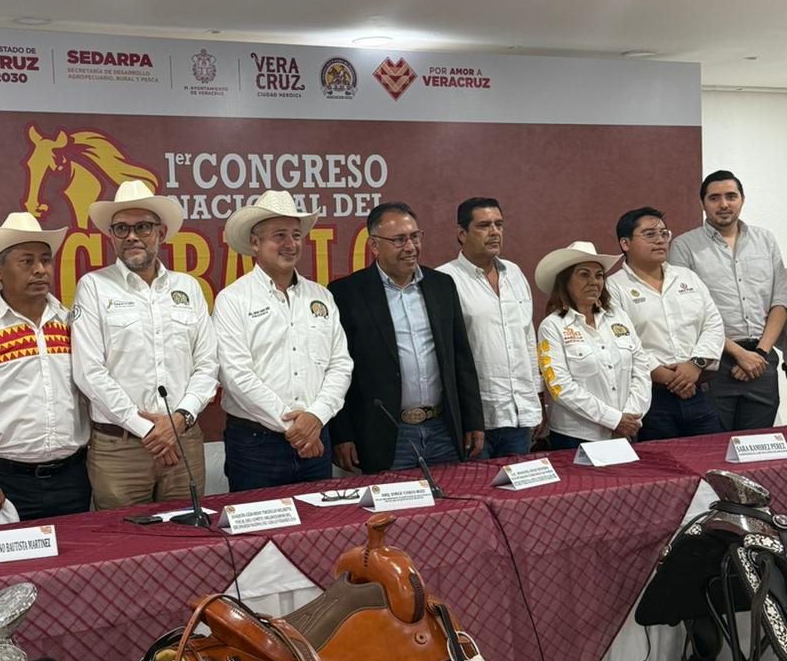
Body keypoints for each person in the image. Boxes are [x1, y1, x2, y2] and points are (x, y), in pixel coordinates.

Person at [71, 180, 218, 508]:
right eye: (121, 228)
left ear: (161, 233)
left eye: (143, 227)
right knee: (123, 538)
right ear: (111, 236)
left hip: (183, 440)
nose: (132, 236)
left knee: (188, 535)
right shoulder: (93, 287)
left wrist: (178, 420)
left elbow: (208, 364)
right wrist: (146, 430)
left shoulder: (188, 287)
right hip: (119, 450)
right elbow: (89, 372)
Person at [0, 213, 91, 520]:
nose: (40, 270)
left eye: (45, 260)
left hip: (74, 476)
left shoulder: (72, 322)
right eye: (26, 262)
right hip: (4, 481)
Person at [328, 201, 484, 474]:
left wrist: (473, 421)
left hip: (443, 430)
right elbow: (337, 369)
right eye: (399, 240)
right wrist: (342, 435)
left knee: (452, 500)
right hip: (386, 434)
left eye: (415, 237)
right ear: (374, 245)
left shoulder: (441, 285)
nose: (410, 247)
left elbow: (461, 358)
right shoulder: (347, 293)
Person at [213, 190, 352, 491]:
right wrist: (296, 427)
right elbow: (236, 376)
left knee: (321, 521)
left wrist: (315, 417)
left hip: (316, 436)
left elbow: (340, 365)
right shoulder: (233, 300)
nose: (291, 244)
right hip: (256, 445)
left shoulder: (321, 296)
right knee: (257, 522)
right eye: (279, 236)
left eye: (296, 235)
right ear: (255, 243)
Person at [669, 170, 787, 431]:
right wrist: (739, 354)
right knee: (714, 446)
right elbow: (687, 313)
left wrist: (759, 354)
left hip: (762, 360)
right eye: (714, 198)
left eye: (731, 196)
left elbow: (780, 301)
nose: (723, 204)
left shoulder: (765, 240)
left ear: (742, 199)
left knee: (759, 446)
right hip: (714, 362)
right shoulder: (684, 246)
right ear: (702, 203)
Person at [437, 197, 543, 458]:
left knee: (520, 485)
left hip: (519, 414)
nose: (494, 232)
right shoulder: (444, 279)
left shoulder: (514, 273)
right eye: (484, 225)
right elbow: (446, 356)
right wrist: (464, 417)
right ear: (462, 234)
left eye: (499, 224)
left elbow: (527, 338)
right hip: (475, 420)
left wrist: (536, 397)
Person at [608, 207, 724, 441]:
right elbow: (621, 341)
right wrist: (664, 375)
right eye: (650, 234)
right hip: (651, 396)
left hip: (697, 390)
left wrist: (695, 365)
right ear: (625, 243)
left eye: (664, 233)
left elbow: (713, 324)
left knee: (711, 455)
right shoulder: (613, 287)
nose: (660, 240)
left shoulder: (687, 277)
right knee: (660, 462)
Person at [535, 241, 651, 449]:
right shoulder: (552, 326)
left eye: (599, 276)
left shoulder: (619, 317)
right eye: (584, 275)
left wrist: (631, 415)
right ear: (565, 281)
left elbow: (641, 368)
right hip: (576, 435)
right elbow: (559, 385)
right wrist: (613, 420)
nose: (594, 282)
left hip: (626, 429)